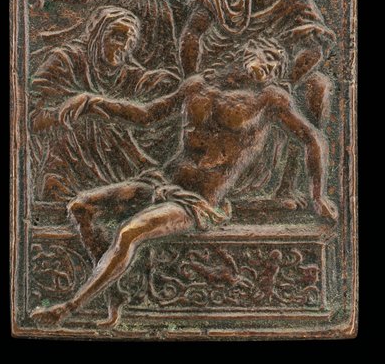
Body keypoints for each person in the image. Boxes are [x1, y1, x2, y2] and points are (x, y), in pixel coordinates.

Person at [31, 34, 337, 327]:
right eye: (267, 58)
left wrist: (318, 195)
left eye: (276, 67)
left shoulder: (269, 99)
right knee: (80, 207)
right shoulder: (197, 86)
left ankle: (69, 307)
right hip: (162, 183)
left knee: (129, 232)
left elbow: (314, 139)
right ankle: (112, 288)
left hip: (197, 201)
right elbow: (146, 114)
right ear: (246, 53)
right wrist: (92, 101)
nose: (270, 68)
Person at [180, 0, 336, 208]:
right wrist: (192, 75)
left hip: (269, 74)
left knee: (319, 86)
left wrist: (286, 80)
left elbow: (315, 47)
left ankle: (289, 186)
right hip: (222, 71)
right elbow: (192, 33)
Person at [30, 6, 179, 201]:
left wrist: (170, 81)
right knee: (85, 121)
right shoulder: (66, 61)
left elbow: (156, 87)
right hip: (68, 160)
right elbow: (32, 118)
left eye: (130, 41)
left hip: (119, 162)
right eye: (117, 36)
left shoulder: (125, 74)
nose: (123, 46)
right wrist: (67, 112)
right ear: (96, 34)